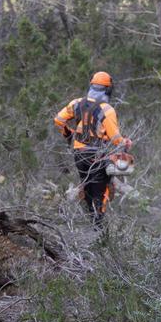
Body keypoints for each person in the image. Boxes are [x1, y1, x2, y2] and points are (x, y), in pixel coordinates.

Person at [53, 71, 132, 228]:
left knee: (88, 186)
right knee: (100, 190)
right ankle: (99, 229)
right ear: (108, 90)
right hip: (97, 155)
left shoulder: (76, 103)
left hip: (79, 155)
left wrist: (69, 134)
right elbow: (116, 139)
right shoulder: (107, 110)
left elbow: (59, 120)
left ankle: (92, 222)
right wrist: (126, 142)